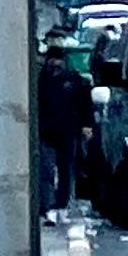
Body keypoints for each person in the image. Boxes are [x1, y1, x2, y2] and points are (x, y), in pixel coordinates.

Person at [35, 47, 90, 218]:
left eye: (58, 60)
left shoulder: (73, 80)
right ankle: (47, 203)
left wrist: (86, 126)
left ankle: (61, 202)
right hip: (45, 131)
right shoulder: (40, 80)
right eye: (52, 60)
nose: (55, 64)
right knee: (46, 170)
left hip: (67, 130)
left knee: (65, 168)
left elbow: (84, 104)